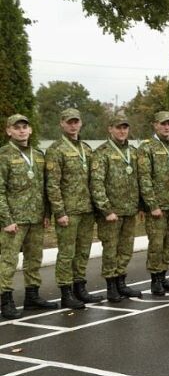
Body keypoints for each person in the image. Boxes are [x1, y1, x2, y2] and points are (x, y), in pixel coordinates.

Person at [0, 114, 57, 319]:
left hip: (36, 217)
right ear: (9, 131)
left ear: (30, 130)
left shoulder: (38, 155)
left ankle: (32, 296)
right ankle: (5, 301)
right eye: (17, 128)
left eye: (25, 127)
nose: (22, 131)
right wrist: (6, 220)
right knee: (8, 261)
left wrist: (46, 213)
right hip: (14, 220)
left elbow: (44, 187)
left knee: (34, 259)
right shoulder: (4, 155)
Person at [46, 108, 102, 308]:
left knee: (83, 252)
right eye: (69, 122)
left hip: (87, 210)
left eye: (76, 122)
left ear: (81, 123)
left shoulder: (86, 149)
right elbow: (52, 184)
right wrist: (59, 212)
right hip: (68, 212)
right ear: (62, 123)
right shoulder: (56, 149)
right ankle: (66, 292)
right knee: (66, 253)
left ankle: (80, 288)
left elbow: (94, 180)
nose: (73, 125)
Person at [90, 115, 143, 302]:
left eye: (125, 128)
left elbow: (139, 180)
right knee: (111, 250)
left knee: (126, 249)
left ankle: (121, 283)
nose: (122, 131)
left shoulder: (133, 152)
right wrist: (106, 210)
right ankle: (111, 286)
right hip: (111, 213)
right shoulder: (102, 153)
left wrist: (141, 206)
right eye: (118, 127)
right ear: (110, 129)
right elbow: (96, 184)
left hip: (130, 210)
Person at [137, 110, 169, 295]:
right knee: (156, 245)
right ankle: (155, 280)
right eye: (163, 124)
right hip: (157, 207)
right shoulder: (147, 148)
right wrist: (152, 205)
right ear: (155, 125)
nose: (166, 127)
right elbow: (144, 179)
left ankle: (163, 275)